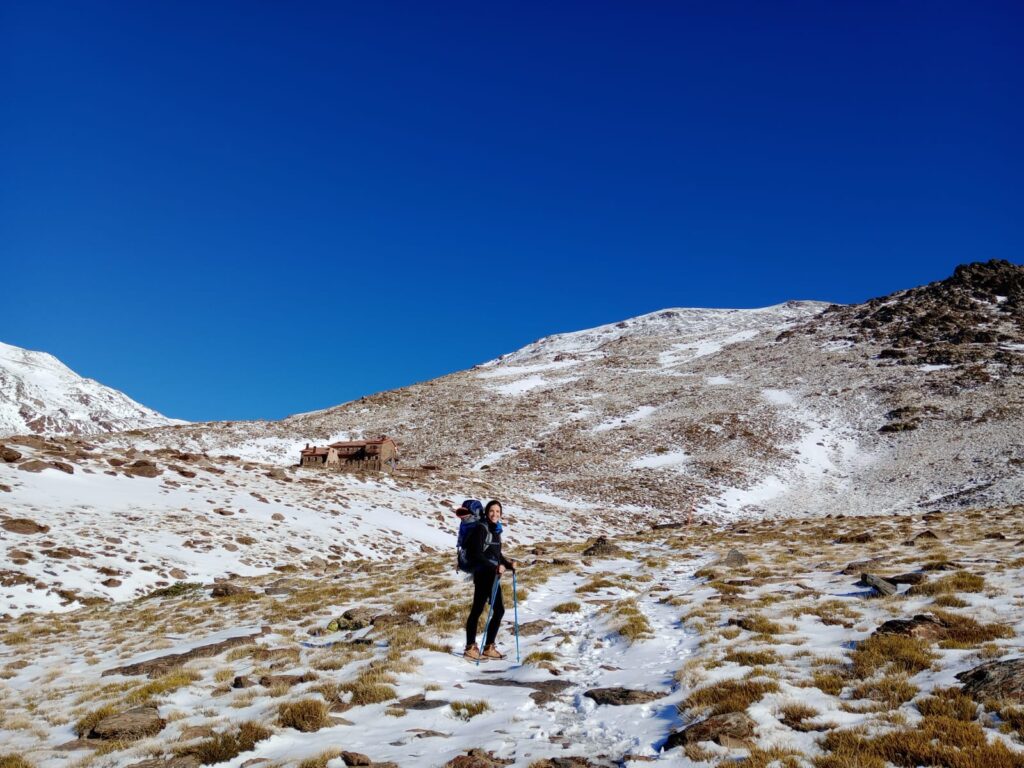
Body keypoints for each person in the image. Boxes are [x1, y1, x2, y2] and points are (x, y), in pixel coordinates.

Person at [463, 499, 517, 661]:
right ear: (487, 512)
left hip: (492, 575)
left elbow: (496, 555)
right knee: (477, 610)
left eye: (498, 512)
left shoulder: (495, 530)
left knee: (498, 610)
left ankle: (488, 647)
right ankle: (470, 647)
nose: (495, 514)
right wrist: (494, 567)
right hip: (483, 575)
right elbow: (476, 554)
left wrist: (508, 564)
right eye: (492, 511)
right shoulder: (481, 528)